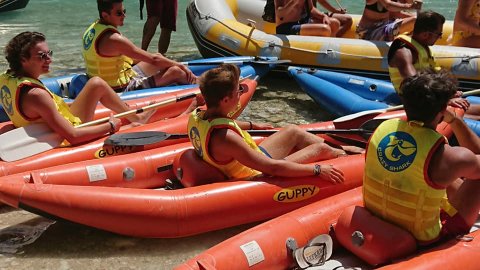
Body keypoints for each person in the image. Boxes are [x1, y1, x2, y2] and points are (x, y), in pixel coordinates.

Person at [187, 64, 364, 183]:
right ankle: (356, 163)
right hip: (258, 175)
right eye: (237, 91)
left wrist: (252, 125)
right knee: (321, 150)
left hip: (255, 159)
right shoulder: (227, 139)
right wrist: (317, 170)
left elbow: (219, 124)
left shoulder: (198, 116)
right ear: (226, 100)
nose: (240, 94)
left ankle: (345, 151)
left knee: (293, 131)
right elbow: (272, 168)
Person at [363, 68, 480, 245]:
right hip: (422, 236)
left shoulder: (382, 129)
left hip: (381, 217)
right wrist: (454, 120)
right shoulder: (451, 157)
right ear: (442, 109)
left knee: (437, 171)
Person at [0, 31, 152, 145]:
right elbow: (73, 136)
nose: (49, 60)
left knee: (96, 83)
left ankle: (135, 117)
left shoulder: (6, 78)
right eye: (42, 56)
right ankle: (136, 122)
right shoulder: (36, 95)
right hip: (60, 139)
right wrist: (111, 126)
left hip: (44, 126)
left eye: (49, 53)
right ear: (23, 60)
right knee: (99, 88)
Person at [82, 0, 196, 93]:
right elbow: (154, 60)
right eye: (119, 13)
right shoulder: (114, 39)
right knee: (176, 71)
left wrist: (161, 62)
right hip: (119, 90)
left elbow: (153, 58)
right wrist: (181, 65)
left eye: (124, 11)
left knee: (159, 58)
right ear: (105, 15)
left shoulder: (93, 29)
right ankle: (200, 86)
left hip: (116, 79)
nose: (124, 16)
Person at [388, 10, 475, 117]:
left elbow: (434, 75)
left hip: (430, 99)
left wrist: (449, 91)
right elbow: (414, 85)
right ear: (426, 34)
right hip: (417, 104)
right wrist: (445, 101)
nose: (440, 37)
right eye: (439, 34)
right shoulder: (403, 52)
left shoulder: (422, 46)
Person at [356, 0, 421, 41]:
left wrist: (414, 3)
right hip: (368, 32)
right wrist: (409, 6)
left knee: (416, 20)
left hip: (384, 28)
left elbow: (395, 13)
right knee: (414, 20)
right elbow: (388, 5)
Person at [274, 0, 339, 37]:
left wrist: (323, 16)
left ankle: (329, 49)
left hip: (302, 22)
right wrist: (293, 2)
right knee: (325, 29)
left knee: (334, 23)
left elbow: (311, 9)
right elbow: (280, 14)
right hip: (286, 27)